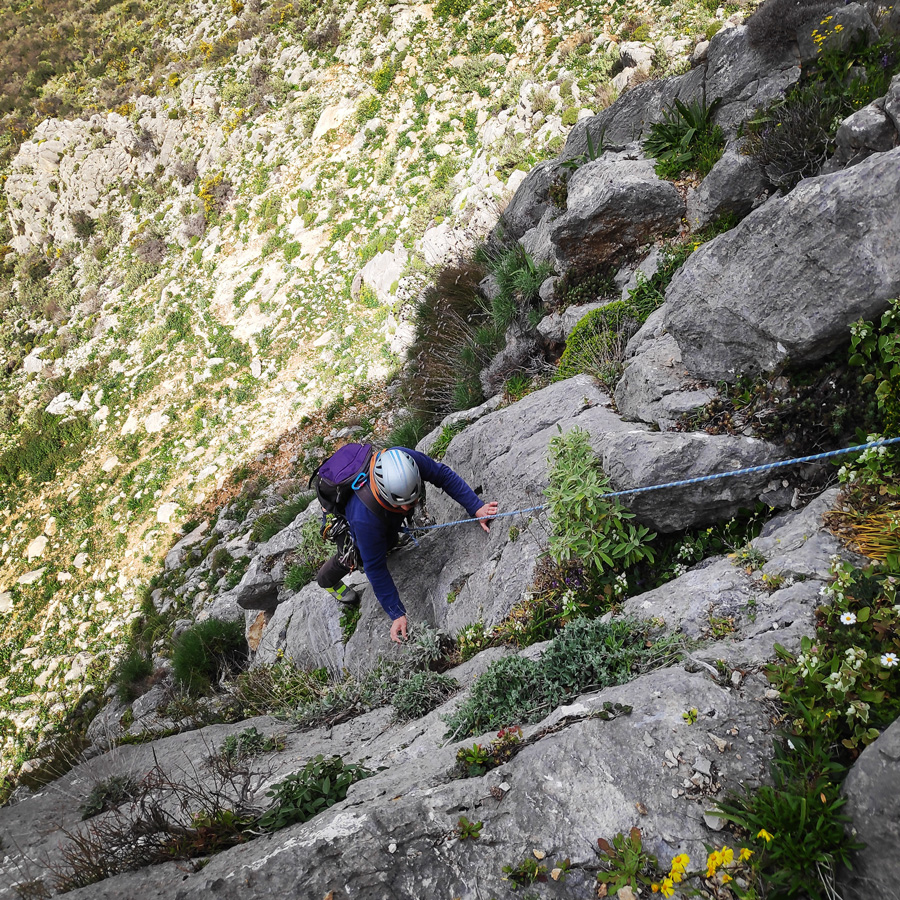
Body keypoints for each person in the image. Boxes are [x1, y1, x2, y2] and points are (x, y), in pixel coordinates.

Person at [316, 446, 498, 643]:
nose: (408, 508)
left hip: (377, 511)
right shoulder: (364, 519)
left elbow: (442, 474)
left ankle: (388, 536)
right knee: (356, 555)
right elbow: (374, 567)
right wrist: (396, 612)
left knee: (386, 540)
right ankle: (326, 580)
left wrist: (476, 506)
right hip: (358, 513)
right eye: (401, 504)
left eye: (413, 500)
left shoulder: (405, 460)